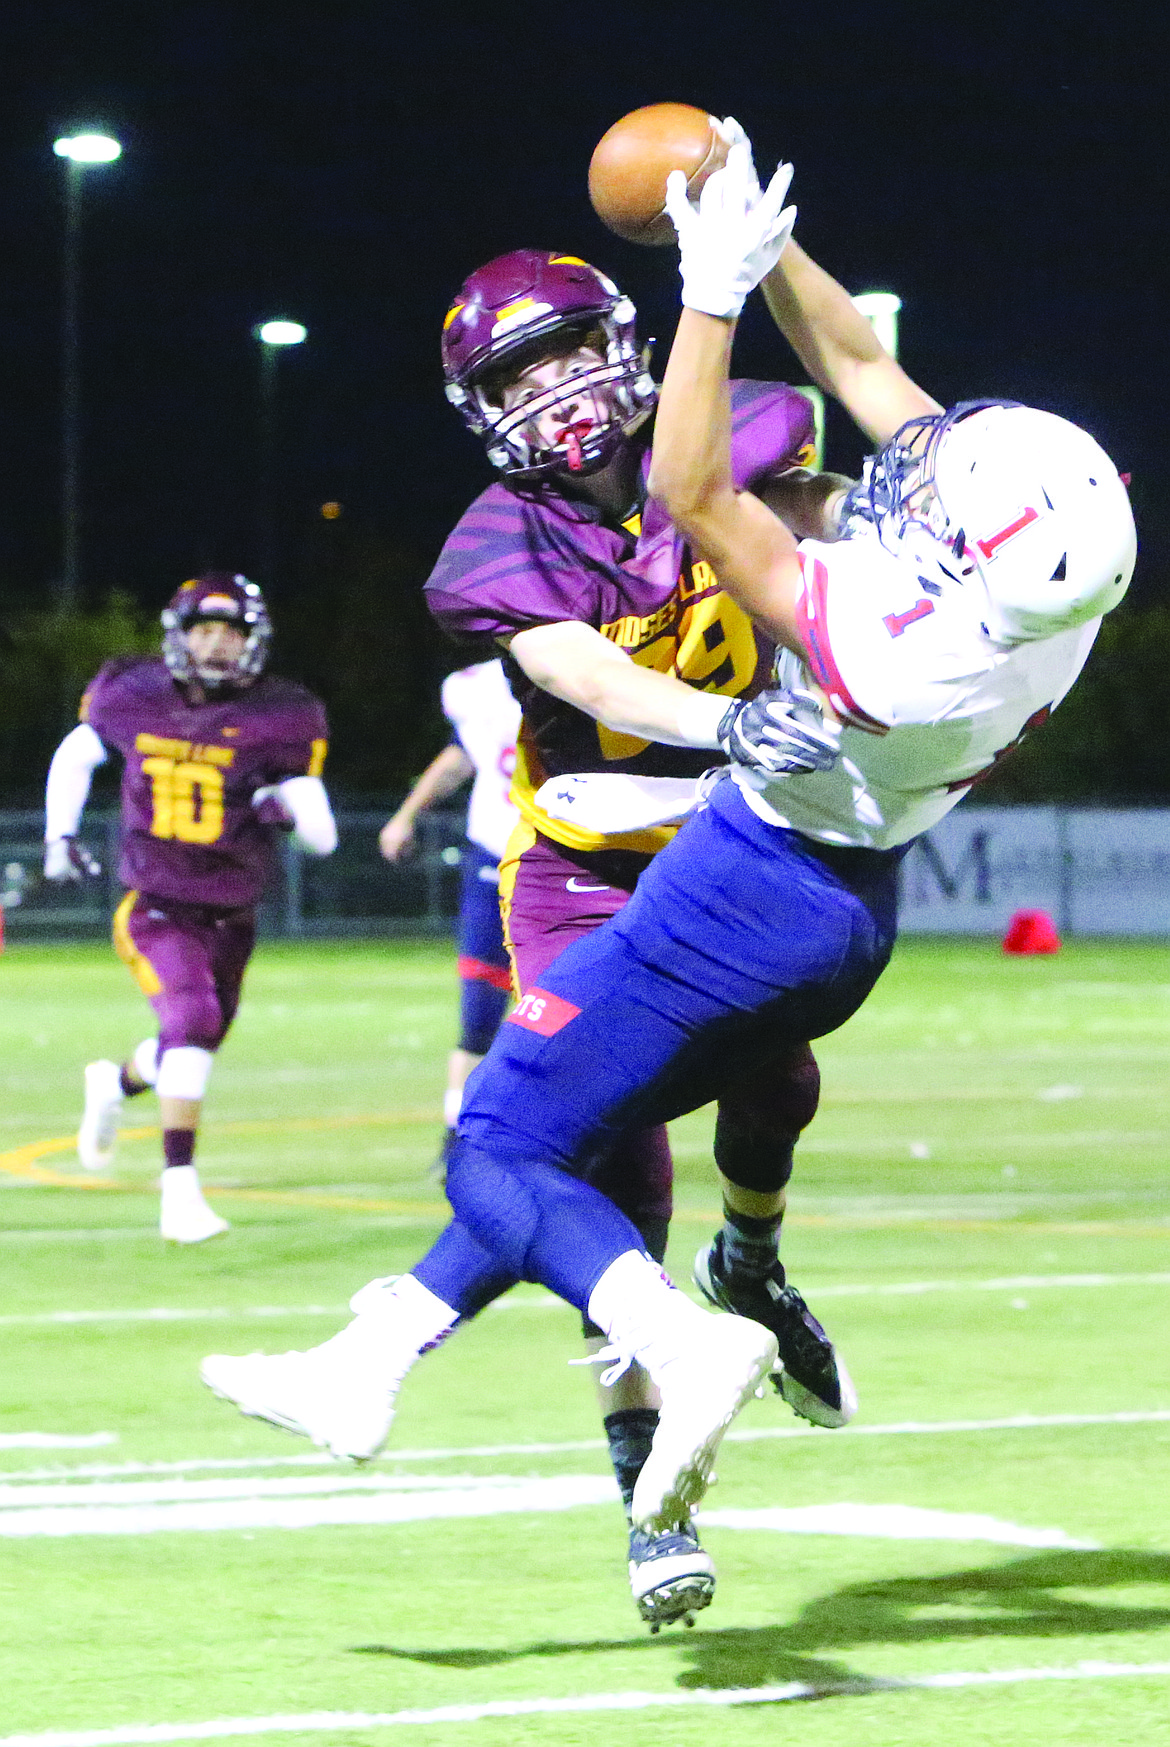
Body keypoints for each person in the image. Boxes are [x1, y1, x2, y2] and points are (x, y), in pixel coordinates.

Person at [201, 240, 850, 1632]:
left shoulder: (752, 427)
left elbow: (835, 545)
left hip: (731, 852)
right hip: (588, 869)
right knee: (598, 1158)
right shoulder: (491, 547)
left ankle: (744, 1261)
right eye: (517, 371)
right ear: (478, 404)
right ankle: (645, 1508)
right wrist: (734, 725)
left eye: (564, 350)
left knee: (774, 1080)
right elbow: (587, 669)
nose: (551, 385)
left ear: (619, 342)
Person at [44, 573, 337, 1243]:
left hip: (232, 913)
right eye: (204, 629)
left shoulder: (280, 714)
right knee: (194, 1019)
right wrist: (59, 835)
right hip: (156, 903)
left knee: (194, 1034)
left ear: (252, 641)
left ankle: (115, 1083)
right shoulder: (135, 692)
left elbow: (322, 837)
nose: (215, 644)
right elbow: (76, 752)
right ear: (178, 635)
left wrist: (284, 807)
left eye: (229, 632)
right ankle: (179, 1190)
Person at [378, 659, 520, 1157]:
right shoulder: (476, 687)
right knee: (479, 1015)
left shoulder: (590, 662)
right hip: (493, 856)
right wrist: (406, 814)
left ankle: (567, 1141)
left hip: (561, 858)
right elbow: (464, 755)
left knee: (567, 1009)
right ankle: (458, 1136)